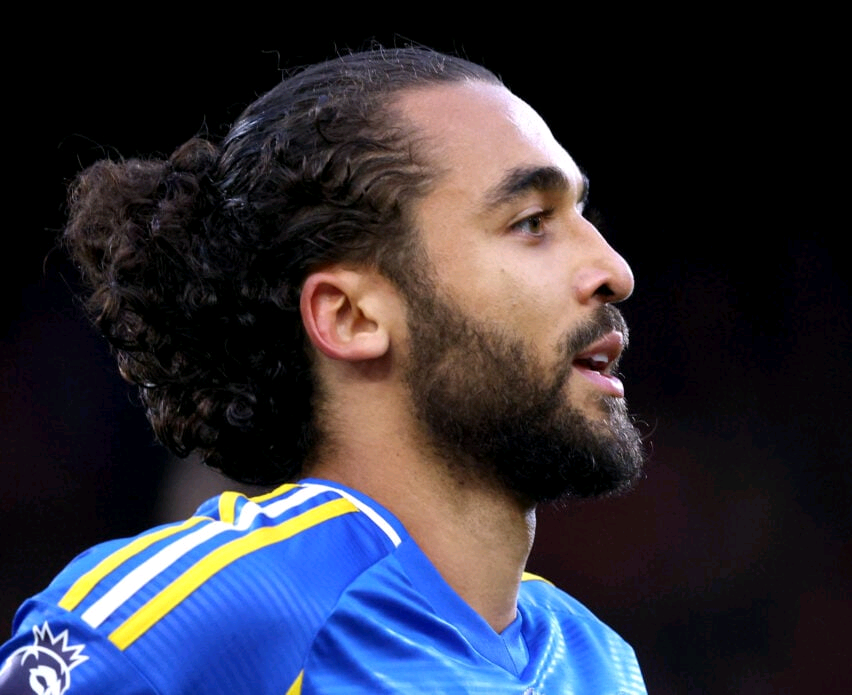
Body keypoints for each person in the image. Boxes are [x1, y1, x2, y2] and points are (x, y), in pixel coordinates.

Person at [0, 47, 647, 693]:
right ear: (350, 317)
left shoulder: (600, 661)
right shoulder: (208, 611)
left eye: (581, 214)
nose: (615, 271)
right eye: (531, 223)